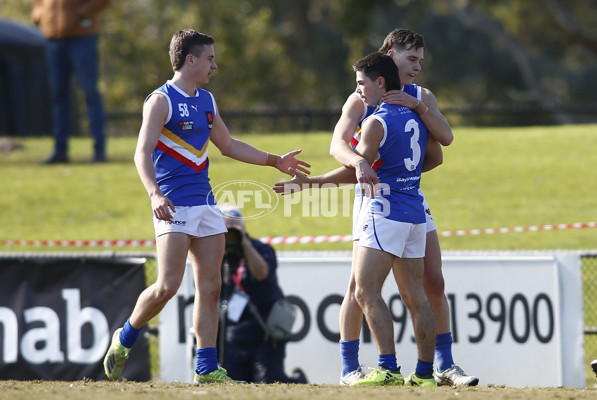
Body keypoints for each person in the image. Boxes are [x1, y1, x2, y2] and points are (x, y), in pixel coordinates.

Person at [102, 29, 310, 384]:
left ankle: (207, 368)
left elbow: (228, 145)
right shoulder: (160, 100)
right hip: (173, 206)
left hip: (206, 205)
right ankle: (125, 337)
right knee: (167, 286)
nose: (215, 64)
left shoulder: (208, 101)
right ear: (190, 60)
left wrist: (275, 160)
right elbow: (141, 152)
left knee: (211, 287)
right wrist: (154, 193)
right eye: (210, 58)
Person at [276, 28, 478, 387]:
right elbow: (337, 144)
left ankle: (443, 367)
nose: (416, 67)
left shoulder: (421, 96)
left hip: (408, 195)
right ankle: (350, 367)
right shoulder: (362, 98)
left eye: (420, 60)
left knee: (433, 280)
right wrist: (360, 164)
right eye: (411, 58)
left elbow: (442, 145)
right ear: (390, 55)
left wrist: (413, 122)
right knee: (360, 285)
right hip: (373, 195)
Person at [351, 51, 435, 386]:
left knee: (365, 291)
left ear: (380, 82)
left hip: (386, 212)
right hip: (416, 213)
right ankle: (426, 375)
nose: (359, 91)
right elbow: (436, 155)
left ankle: (387, 369)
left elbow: (357, 172)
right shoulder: (417, 117)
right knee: (417, 297)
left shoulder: (375, 122)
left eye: (361, 83)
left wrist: (311, 183)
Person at [217, 206, 308, 384]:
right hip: (232, 337)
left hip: (264, 332)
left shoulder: (262, 249)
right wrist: (217, 246)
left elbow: (261, 274)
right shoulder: (218, 255)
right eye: (225, 230)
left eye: (233, 230)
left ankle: (298, 382)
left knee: (268, 383)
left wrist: (244, 243)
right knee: (234, 387)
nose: (230, 235)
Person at [32, 0, 111, 164]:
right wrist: (39, 15)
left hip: (82, 38)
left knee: (90, 93)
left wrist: (81, 14)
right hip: (53, 39)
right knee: (58, 96)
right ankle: (60, 151)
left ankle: (99, 150)